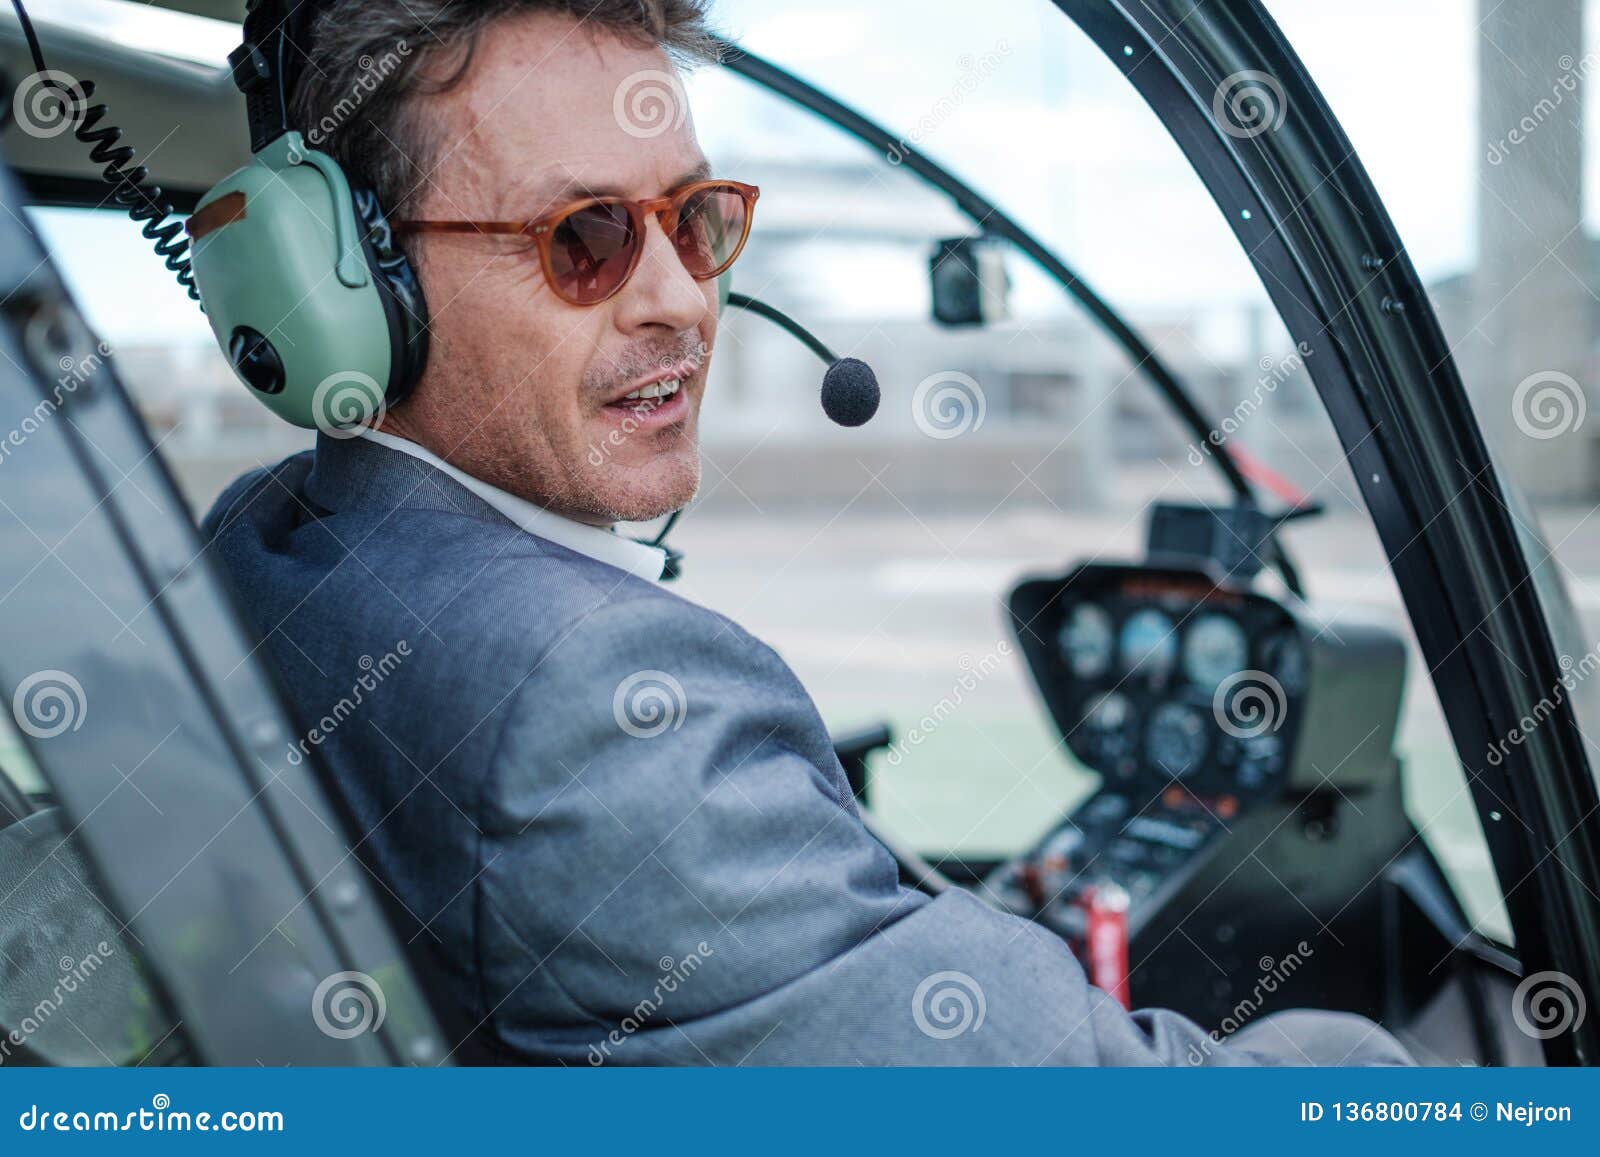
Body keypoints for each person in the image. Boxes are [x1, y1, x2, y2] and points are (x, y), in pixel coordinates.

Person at [203, 0, 1411, 1066]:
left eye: (699, 218)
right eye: (586, 236)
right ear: (353, 284)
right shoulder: (587, 700)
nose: (679, 295)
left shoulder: (266, 541)